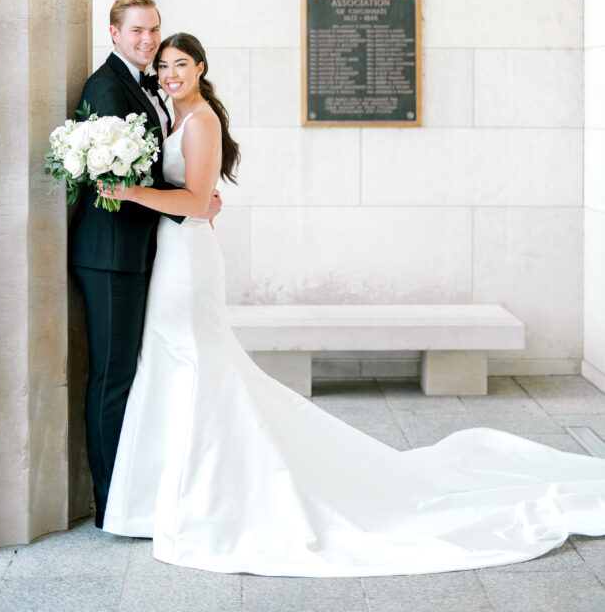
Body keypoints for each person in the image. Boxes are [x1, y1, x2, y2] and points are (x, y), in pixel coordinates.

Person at [99, 33, 605, 576]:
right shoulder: (170, 115)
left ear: (201, 67)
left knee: (196, 361)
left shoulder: (200, 121)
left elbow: (197, 200)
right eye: (165, 64)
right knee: (174, 361)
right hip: (172, 251)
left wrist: (127, 193)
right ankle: (163, 494)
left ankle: (207, 495)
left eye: (182, 63)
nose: (171, 72)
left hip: (190, 257)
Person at [69, 0, 221, 528]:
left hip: (143, 252)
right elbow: (119, 181)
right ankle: (112, 504)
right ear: (114, 34)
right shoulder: (107, 87)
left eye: (153, 30)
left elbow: (156, 174)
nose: (147, 40)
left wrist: (196, 197)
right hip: (110, 256)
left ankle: (135, 490)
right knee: (112, 378)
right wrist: (193, 201)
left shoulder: (151, 87)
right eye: (136, 31)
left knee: (133, 374)